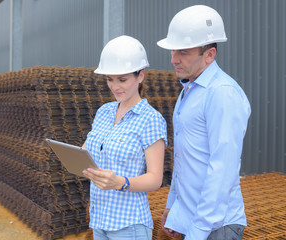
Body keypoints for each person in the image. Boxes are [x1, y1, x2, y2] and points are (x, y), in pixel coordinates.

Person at [157, 5, 251, 240]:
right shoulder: (189, 89)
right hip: (193, 221)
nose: (174, 59)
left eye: (183, 53)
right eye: (173, 51)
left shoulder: (221, 93)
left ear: (209, 55)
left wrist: (198, 230)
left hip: (216, 227)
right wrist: (174, 208)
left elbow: (223, 168)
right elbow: (185, 161)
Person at [82, 35, 167, 240]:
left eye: (122, 79)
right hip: (100, 219)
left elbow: (155, 179)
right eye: (110, 79)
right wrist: (82, 161)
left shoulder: (151, 119)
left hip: (129, 226)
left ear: (140, 76)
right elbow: (87, 149)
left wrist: (119, 182)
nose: (115, 86)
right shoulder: (104, 111)